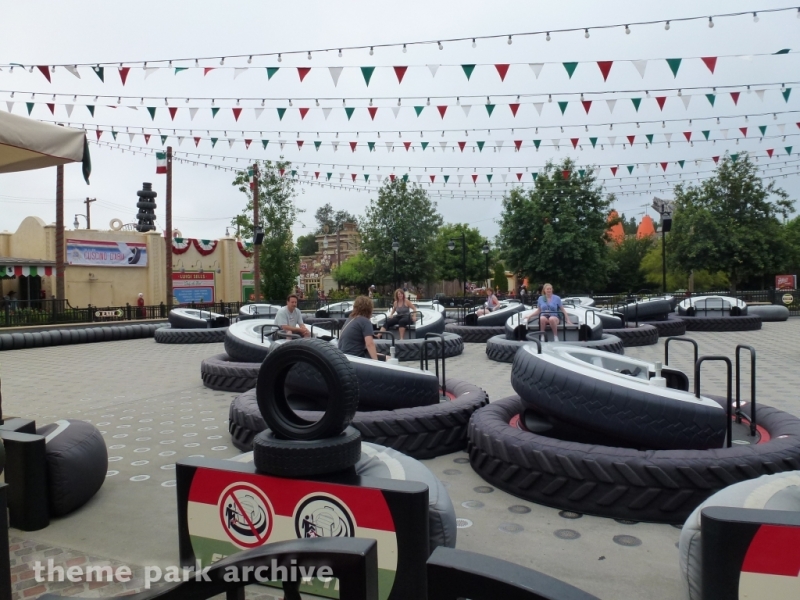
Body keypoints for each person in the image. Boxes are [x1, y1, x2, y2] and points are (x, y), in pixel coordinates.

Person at [338, 296, 384, 360]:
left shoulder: (350, 319)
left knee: (383, 356)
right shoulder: (365, 321)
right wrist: (376, 362)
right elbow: (369, 344)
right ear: (369, 308)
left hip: (344, 356)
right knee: (388, 359)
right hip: (356, 357)